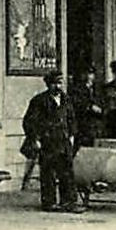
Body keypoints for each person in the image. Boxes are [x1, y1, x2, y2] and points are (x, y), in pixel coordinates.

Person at [23, 71, 80, 211]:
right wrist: (35, 138)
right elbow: (29, 122)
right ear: (48, 84)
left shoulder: (66, 99)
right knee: (48, 173)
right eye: (54, 83)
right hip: (47, 142)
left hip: (64, 141)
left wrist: (72, 136)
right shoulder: (39, 101)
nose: (58, 86)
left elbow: (71, 119)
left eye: (60, 83)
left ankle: (69, 203)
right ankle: (49, 203)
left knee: (67, 172)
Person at [72, 66, 105, 150]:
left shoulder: (99, 89)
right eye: (86, 74)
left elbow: (104, 103)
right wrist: (90, 107)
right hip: (84, 126)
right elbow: (77, 104)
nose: (88, 76)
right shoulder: (77, 90)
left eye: (90, 74)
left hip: (97, 127)